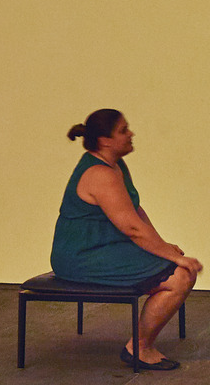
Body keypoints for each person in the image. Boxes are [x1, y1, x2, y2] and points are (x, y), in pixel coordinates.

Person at [48, 108, 199, 370]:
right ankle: (139, 348)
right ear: (105, 140)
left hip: (103, 248)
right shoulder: (100, 174)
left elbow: (135, 211)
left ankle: (141, 344)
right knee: (180, 276)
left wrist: (164, 247)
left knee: (177, 269)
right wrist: (172, 256)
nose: (131, 134)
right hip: (81, 256)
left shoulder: (115, 165)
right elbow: (132, 229)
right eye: (123, 130)